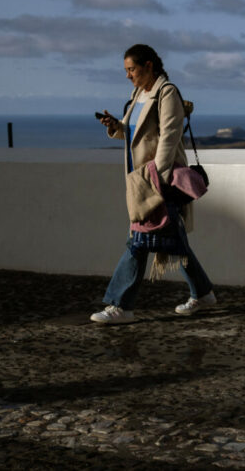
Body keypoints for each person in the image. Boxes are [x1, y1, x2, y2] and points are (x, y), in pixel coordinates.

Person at [90, 44, 217, 324]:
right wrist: (115, 126)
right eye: (126, 70)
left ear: (149, 65)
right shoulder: (138, 95)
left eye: (131, 69)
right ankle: (204, 292)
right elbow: (134, 134)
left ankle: (121, 306)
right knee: (174, 241)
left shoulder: (166, 92)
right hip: (141, 179)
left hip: (156, 180)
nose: (128, 76)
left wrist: (154, 179)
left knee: (137, 242)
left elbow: (169, 138)